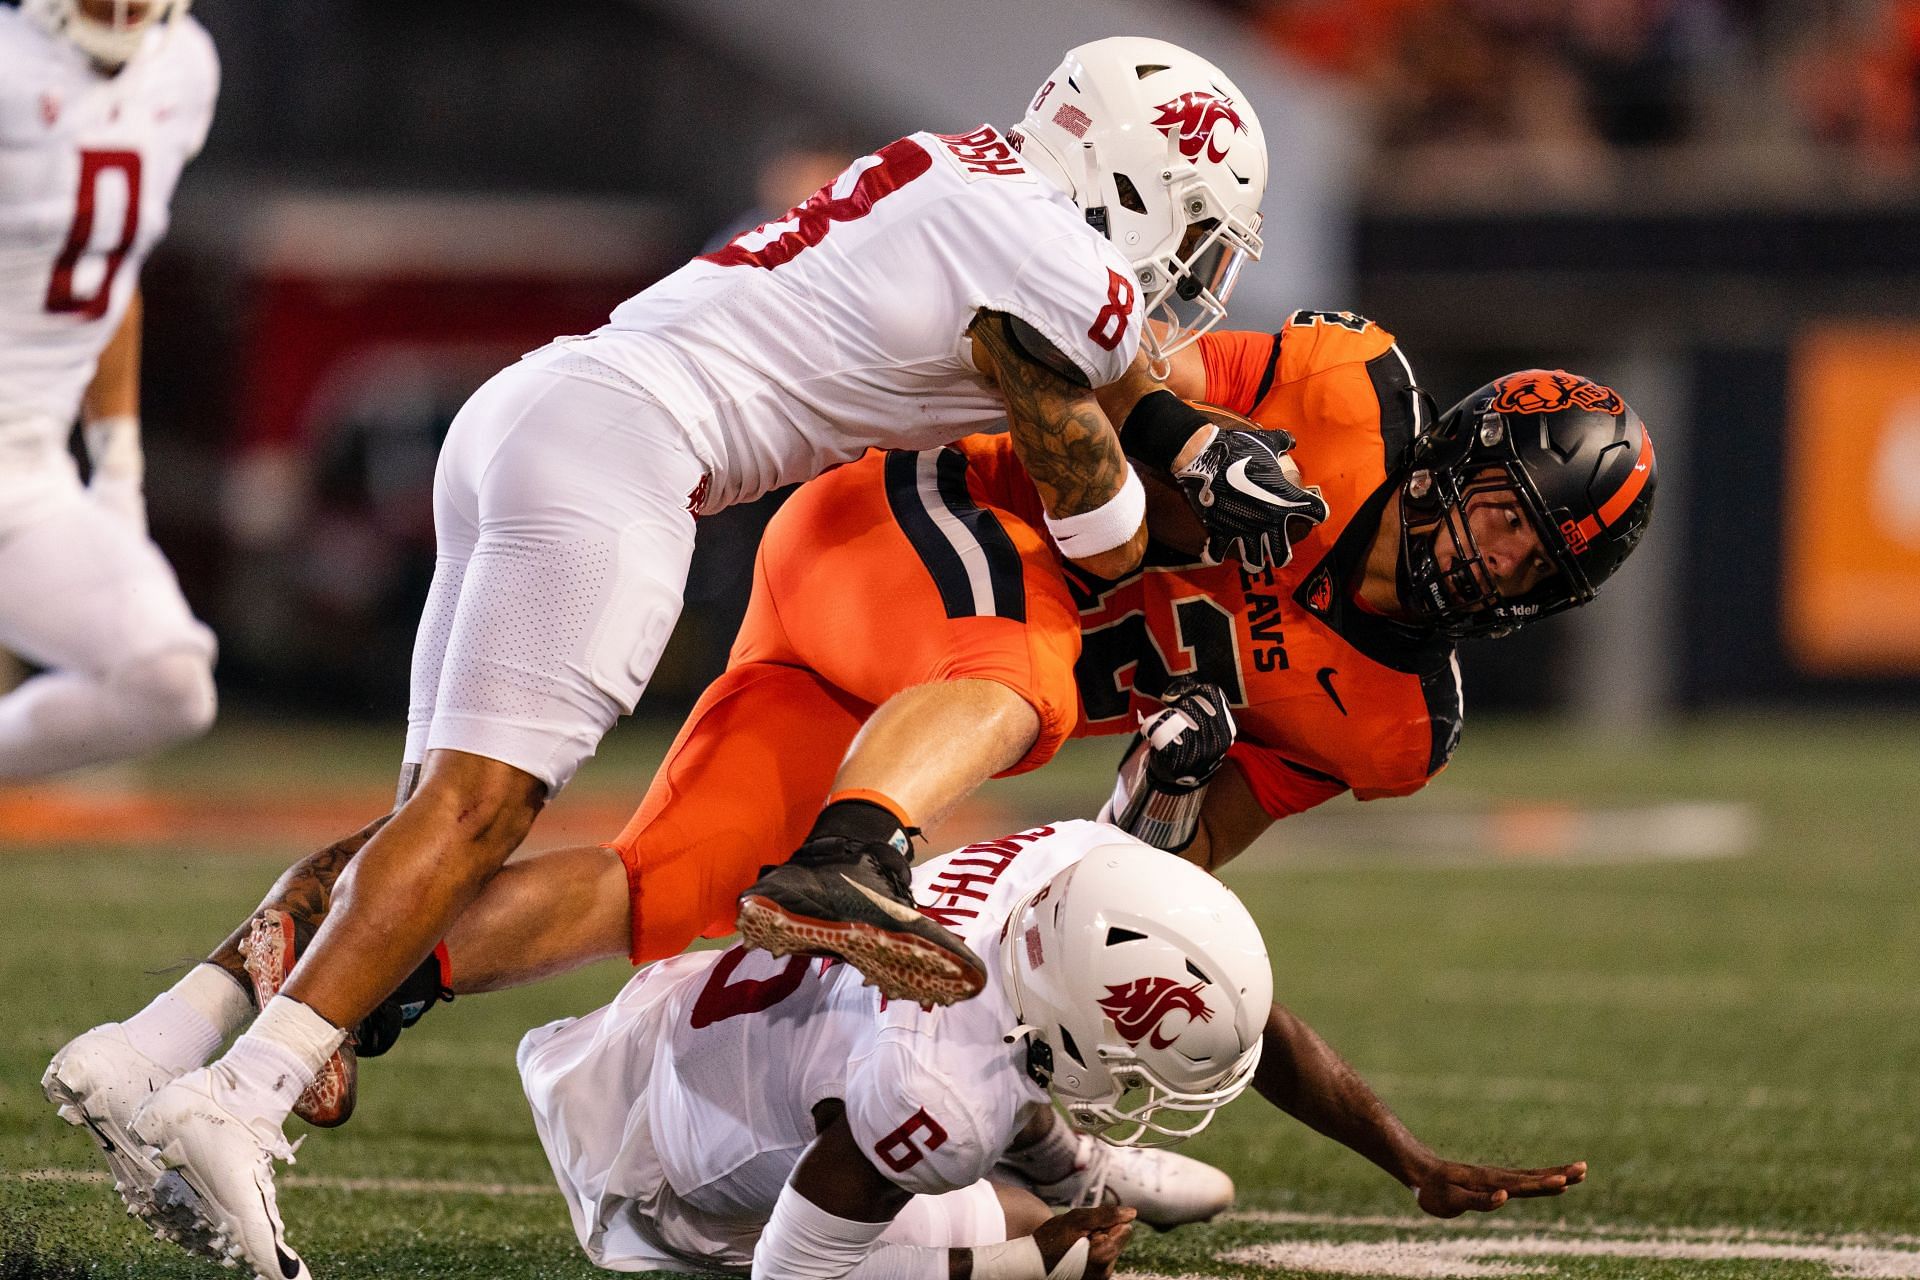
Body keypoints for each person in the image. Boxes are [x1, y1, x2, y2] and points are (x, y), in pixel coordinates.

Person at [45, 34, 1297, 1280]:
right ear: (1136, 173)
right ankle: (242, 1099)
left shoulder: (971, 192)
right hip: (629, 449)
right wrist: (1198, 456)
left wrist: (1157, 466)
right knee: (476, 814)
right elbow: (1121, 494)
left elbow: (1102, 497)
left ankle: (155, 1042)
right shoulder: (1049, 244)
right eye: (1192, 233)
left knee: (430, 822)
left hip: (547, 407)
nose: (1190, 275)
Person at [516, 822, 1582, 1278]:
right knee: (1021, 1222)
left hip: (696, 1017)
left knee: (990, 1086)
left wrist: (1410, 1157)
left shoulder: (1073, 867)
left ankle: (1071, 1161)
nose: (1129, 1078)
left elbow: (1243, 1013)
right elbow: (798, 1267)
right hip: (656, 1159)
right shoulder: (942, 1091)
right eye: (1123, 1060)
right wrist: (1022, 1260)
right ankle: (1051, 1199)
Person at [0, 0, 219, 781]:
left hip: (28, 471)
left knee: (168, 685)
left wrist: (118, 476)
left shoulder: (184, 66)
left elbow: (111, 279)